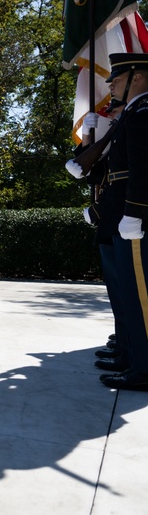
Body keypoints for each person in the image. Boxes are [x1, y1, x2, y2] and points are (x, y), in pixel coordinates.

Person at [95, 53, 148, 391]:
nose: (111, 84)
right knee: (129, 296)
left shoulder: (143, 113)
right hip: (126, 219)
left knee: (139, 298)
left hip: (136, 221)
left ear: (139, 76)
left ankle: (144, 368)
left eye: (117, 78)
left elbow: (142, 169)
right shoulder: (135, 114)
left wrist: (135, 211)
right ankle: (135, 359)